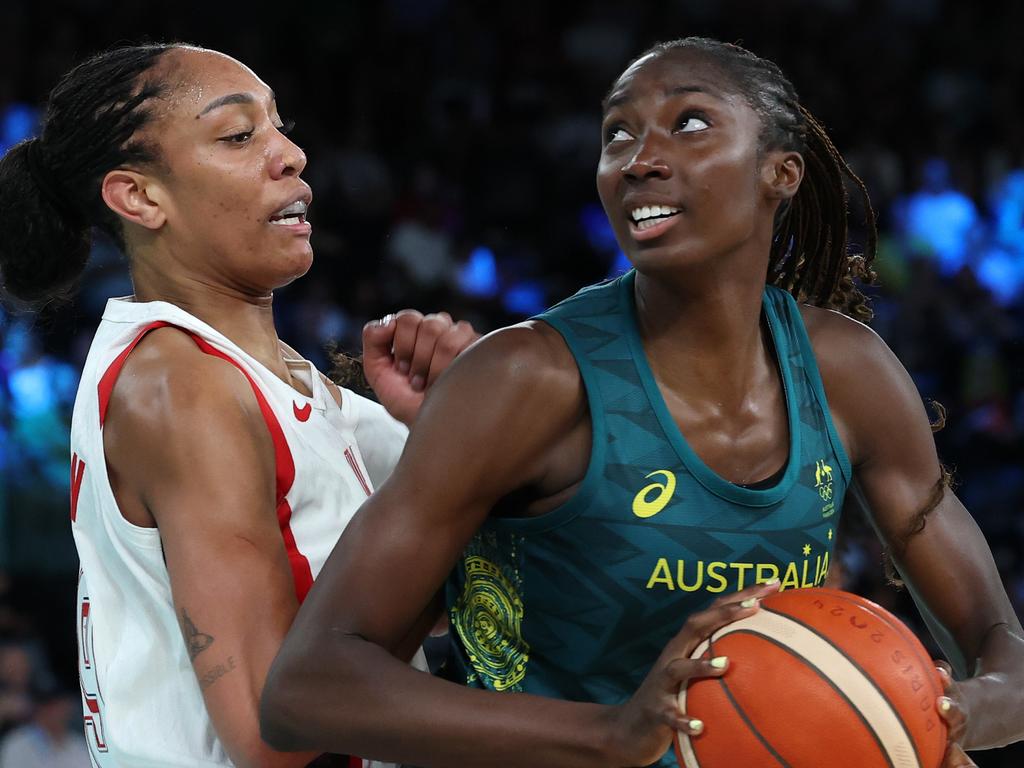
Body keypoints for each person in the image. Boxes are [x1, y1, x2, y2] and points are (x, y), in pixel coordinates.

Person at [260, 37, 1024, 768]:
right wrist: (613, 733)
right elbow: (308, 686)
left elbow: (1001, 643)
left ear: (780, 173)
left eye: (689, 124)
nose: (640, 160)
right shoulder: (526, 379)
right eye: (617, 135)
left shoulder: (847, 371)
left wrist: (948, 710)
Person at [0, 43, 477, 767]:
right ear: (141, 198)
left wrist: (443, 432)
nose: (290, 154)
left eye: (279, 127)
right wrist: (456, 493)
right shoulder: (183, 386)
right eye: (238, 135)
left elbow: (421, 580)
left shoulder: (272, 371)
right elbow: (269, 728)